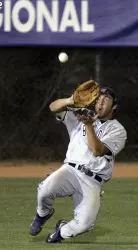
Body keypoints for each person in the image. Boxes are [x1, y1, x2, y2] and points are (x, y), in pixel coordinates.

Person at [29, 86, 127, 243]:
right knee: (45, 190)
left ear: (114, 106)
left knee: (84, 224)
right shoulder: (82, 115)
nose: (101, 102)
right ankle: (43, 214)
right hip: (70, 171)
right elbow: (53, 107)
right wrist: (70, 100)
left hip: (93, 182)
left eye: (106, 99)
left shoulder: (117, 130)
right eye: (99, 99)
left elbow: (97, 150)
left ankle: (60, 232)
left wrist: (88, 125)